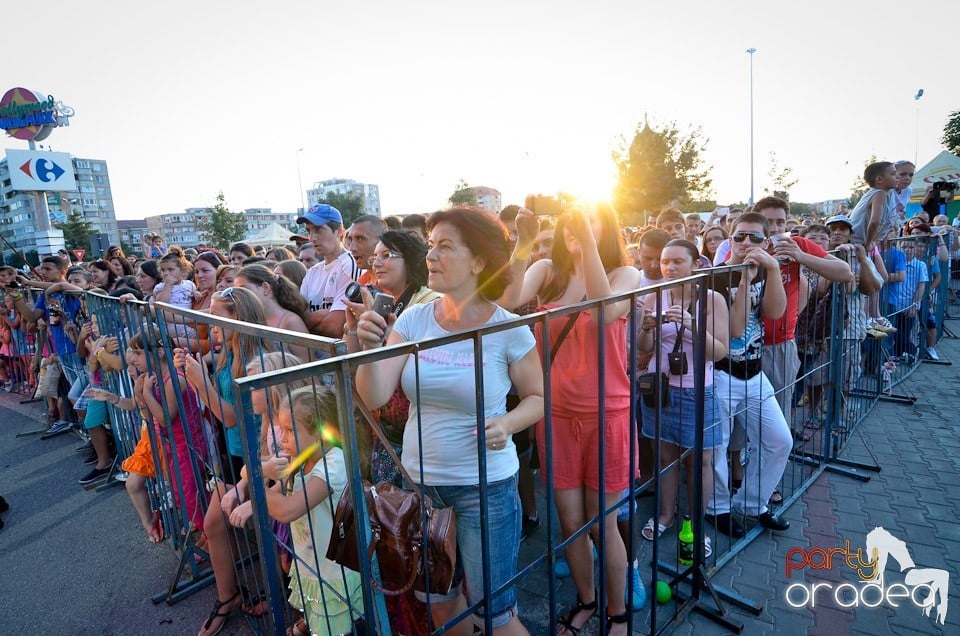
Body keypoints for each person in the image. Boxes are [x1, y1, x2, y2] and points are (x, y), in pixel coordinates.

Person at [355, 206, 543, 635]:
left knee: (494, 614)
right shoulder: (414, 318)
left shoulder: (508, 328)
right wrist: (368, 350)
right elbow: (377, 394)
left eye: (445, 247)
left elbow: (538, 397)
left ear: (478, 260)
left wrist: (509, 424)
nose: (431, 256)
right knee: (438, 601)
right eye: (431, 246)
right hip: (422, 487)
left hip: (486, 489)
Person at [503, 201, 640, 635]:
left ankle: (617, 614)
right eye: (569, 223)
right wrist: (523, 244)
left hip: (608, 414)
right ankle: (588, 599)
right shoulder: (546, 271)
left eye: (589, 220)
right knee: (569, 521)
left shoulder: (625, 274)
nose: (576, 229)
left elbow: (606, 310)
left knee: (605, 521)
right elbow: (506, 300)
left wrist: (588, 245)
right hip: (556, 414)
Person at [637, 239, 729, 560]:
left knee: (699, 462)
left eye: (677, 261)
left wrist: (689, 324)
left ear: (696, 264)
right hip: (659, 388)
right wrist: (647, 327)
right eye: (665, 262)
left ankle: (695, 524)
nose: (669, 268)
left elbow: (719, 352)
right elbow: (644, 349)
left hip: (695, 390)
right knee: (663, 456)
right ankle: (666, 515)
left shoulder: (711, 299)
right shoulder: (654, 295)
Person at [705, 213, 791, 539]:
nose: (747, 244)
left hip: (754, 373)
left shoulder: (766, 272)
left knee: (780, 441)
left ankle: (753, 502)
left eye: (756, 238)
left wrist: (771, 269)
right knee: (717, 447)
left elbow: (774, 312)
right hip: (722, 375)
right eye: (740, 237)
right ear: (731, 239)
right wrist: (743, 279)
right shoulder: (715, 276)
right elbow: (736, 330)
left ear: (767, 243)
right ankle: (718, 508)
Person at [264, 386, 365, 636]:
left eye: (289, 431)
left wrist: (255, 478)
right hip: (311, 562)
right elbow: (275, 494)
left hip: (333, 571)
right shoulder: (301, 458)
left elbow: (287, 510)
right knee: (320, 620)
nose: (282, 439)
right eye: (282, 429)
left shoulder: (334, 464)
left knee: (334, 628)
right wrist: (259, 474)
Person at [297, 204, 359, 337]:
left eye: (318, 230)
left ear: (339, 231)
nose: (312, 238)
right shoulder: (312, 272)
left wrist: (305, 325)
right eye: (309, 231)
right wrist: (322, 316)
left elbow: (335, 327)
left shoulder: (349, 265)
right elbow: (297, 320)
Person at [234, 264, 310, 361]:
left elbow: (307, 363)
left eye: (244, 290)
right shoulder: (249, 319)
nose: (240, 296)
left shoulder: (291, 322)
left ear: (265, 288)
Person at [849, 161, 899, 249]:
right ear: (879, 179)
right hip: (858, 242)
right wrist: (869, 243)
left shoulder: (877, 194)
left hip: (858, 240)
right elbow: (875, 221)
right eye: (893, 174)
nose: (897, 177)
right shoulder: (879, 194)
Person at [345, 215, 386, 285]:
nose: (352, 248)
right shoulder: (362, 281)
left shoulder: (393, 282)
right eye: (350, 239)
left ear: (381, 241)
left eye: (360, 239)